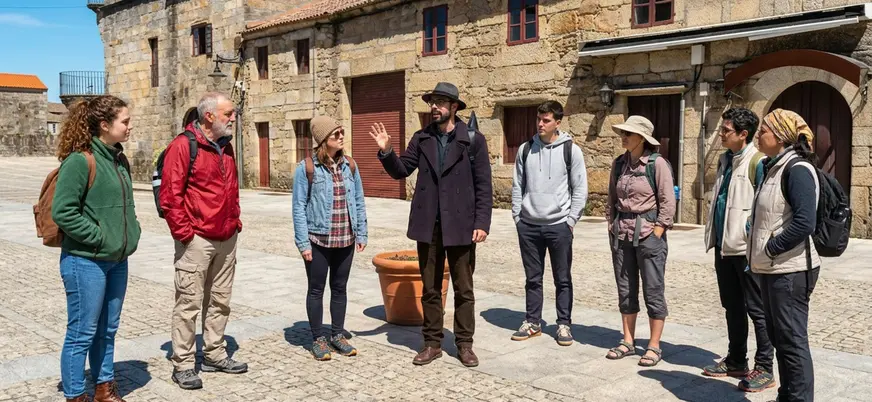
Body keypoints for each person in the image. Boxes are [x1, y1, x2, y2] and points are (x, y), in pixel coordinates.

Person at [369, 82, 493, 367]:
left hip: (461, 224)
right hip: (429, 225)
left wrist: (482, 222)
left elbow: (483, 185)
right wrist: (387, 151)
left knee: (464, 289)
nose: (434, 107)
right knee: (430, 288)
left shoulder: (473, 139)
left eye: (440, 102)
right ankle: (432, 343)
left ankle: (464, 344)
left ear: (454, 107)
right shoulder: (421, 138)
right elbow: (402, 171)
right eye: (432, 102)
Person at [52, 95, 141, 402]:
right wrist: (100, 236)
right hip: (85, 262)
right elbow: (63, 212)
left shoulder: (119, 158)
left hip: (117, 261)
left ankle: (104, 387)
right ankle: (76, 394)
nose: (129, 126)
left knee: (108, 328)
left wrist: (132, 231)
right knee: (82, 332)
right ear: (105, 125)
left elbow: (125, 206)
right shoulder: (80, 160)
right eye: (125, 121)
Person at [159, 92, 246, 390]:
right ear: (209, 116)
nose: (233, 117)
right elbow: (170, 197)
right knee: (188, 303)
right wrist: (186, 234)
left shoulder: (227, 146)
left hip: (226, 236)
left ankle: (214, 354)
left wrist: (235, 221)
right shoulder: (183, 146)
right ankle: (183, 364)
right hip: (196, 238)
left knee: (220, 301)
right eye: (228, 113)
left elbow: (232, 189)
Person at [748, 108, 821, 402]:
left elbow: (805, 222)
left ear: (780, 137)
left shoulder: (798, 169)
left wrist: (771, 246)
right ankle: (787, 396)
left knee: (792, 341)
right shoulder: (772, 166)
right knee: (780, 339)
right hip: (771, 268)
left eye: (763, 130)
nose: (758, 134)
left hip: (790, 270)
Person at [702, 107, 775, 391]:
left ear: (743, 134)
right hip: (723, 246)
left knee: (757, 309)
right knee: (732, 306)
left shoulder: (757, 162)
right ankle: (736, 360)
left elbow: (765, 206)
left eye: (726, 130)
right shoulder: (725, 160)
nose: (721, 134)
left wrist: (749, 236)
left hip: (745, 250)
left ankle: (765, 366)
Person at [510, 100, 588, 345]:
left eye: (546, 120)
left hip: (559, 226)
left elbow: (580, 189)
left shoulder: (571, 150)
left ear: (558, 123)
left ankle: (563, 324)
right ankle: (533, 322)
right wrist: (517, 217)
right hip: (529, 225)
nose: (540, 124)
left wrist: (571, 220)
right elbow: (517, 186)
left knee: (562, 279)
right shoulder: (525, 149)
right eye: (539, 119)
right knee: (532, 278)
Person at [292, 116, 368, 361]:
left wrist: (362, 232)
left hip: (345, 238)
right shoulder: (307, 168)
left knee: (339, 288)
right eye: (336, 134)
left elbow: (358, 200)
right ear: (324, 140)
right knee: (316, 289)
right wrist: (303, 243)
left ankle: (337, 335)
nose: (341, 137)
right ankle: (318, 339)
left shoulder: (350, 166)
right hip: (318, 239)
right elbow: (299, 206)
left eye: (342, 132)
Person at [604, 115, 675, 367]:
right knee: (625, 289)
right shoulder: (618, 164)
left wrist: (658, 230)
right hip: (621, 235)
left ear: (642, 139)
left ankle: (654, 346)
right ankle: (627, 340)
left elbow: (668, 201)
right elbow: (612, 198)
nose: (623, 137)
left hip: (648, 236)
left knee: (653, 290)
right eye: (623, 133)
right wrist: (611, 226)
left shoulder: (657, 165)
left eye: (629, 134)